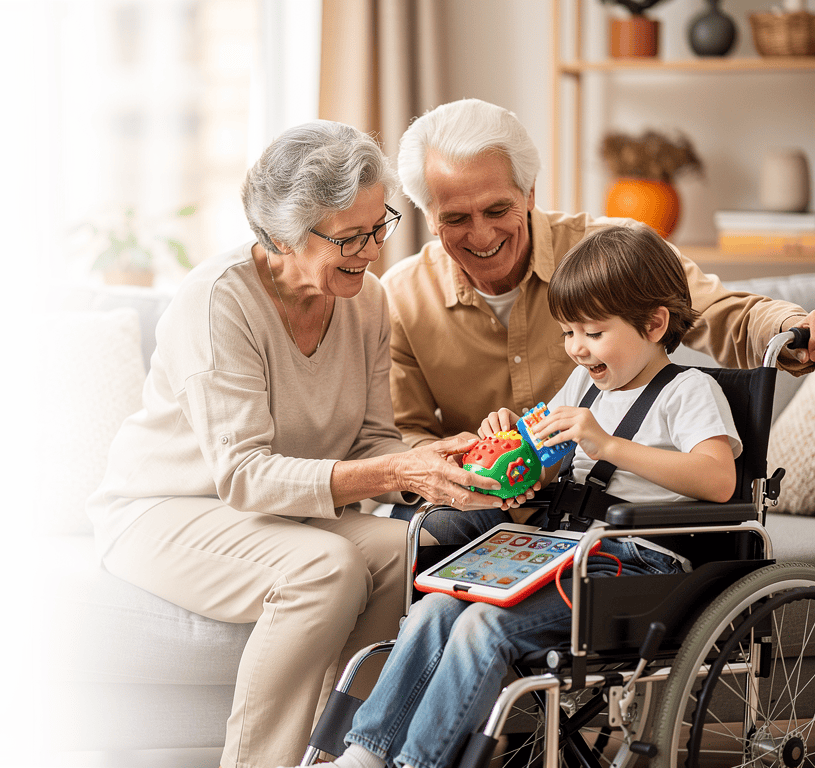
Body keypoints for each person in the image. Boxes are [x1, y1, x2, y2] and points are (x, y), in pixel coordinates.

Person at [86, 121, 521, 768]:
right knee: (324, 569)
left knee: (397, 547)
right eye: (350, 236)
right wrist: (396, 470)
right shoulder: (218, 303)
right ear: (282, 234)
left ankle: (339, 757)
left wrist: (434, 463)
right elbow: (244, 477)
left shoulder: (367, 300)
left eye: (380, 227)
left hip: (273, 516)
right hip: (165, 509)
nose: (372, 249)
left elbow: (374, 438)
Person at [277, 223, 741, 768]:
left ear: (655, 323)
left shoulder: (688, 391)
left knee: (482, 625)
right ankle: (366, 753)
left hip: (638, 565)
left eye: (592, 332)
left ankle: (418, 762)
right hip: (562, 553)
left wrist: (607, 444)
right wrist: (507, 445)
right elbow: (538, 472)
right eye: (568, 333)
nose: (577, 348)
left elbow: (718, 480)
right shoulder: (585, 386)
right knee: (437, 609)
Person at [383, 98, 814, 543]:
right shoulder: (401, 298)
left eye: (497, 210)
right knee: (418, 532)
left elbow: (721, 312)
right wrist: (468, 462)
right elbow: (406, 434)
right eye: (455, 218)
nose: (482, 234)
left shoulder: (611, 252)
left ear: (529, 191)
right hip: (488, 501)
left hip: (595, 516)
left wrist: (794, 326)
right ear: (429, 217)